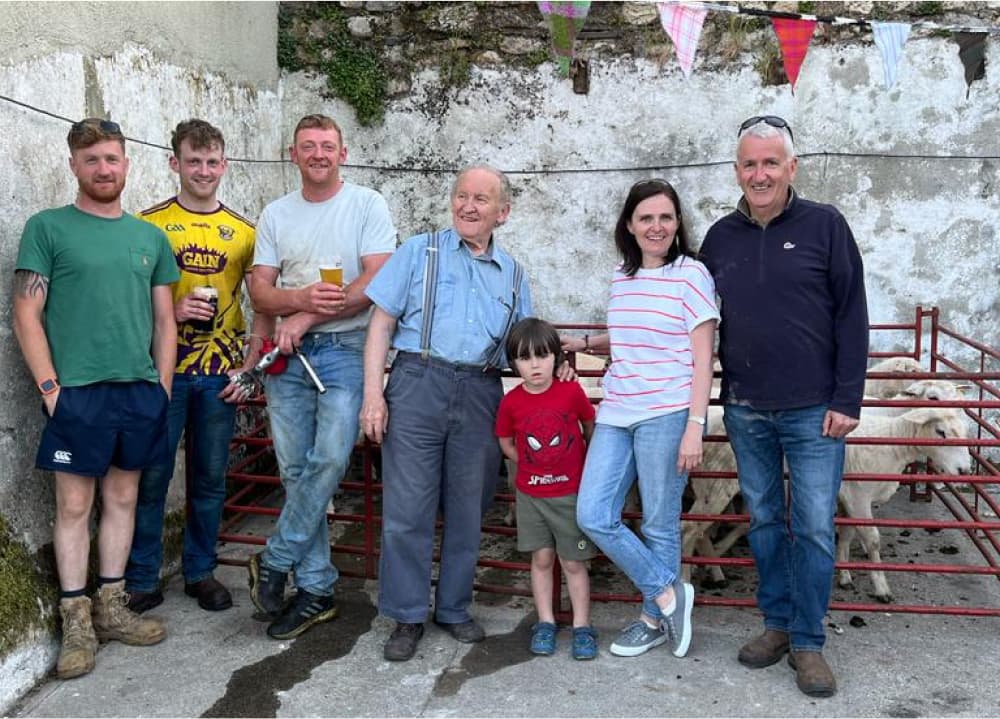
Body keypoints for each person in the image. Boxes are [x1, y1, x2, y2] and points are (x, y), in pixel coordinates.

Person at [699, 115, 869, 698]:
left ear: (792, 167)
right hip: (745, 407)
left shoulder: (826, 226)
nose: (760, 173)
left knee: (815, 527)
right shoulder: (720, 237)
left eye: (771, 162)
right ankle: (775, 624)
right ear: (737, 171)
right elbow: (690, 320)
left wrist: (849, 398)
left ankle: (808, 640)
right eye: (750, 163)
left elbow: (852, 314)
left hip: (816, 409)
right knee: (765, 520)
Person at [12, 118, 176, 679]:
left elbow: (164, 319)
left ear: (127, 164)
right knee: (75, 508)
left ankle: (112, 609)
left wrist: (163, 387)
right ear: (74, 166)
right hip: (75, 394)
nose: (103, 169)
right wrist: (51, 389)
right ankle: (76, 621)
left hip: (138, 391)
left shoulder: (149, 238)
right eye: (92, 160)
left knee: (123, 500)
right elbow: (25, 313)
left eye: (112, 159)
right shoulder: (47, 228)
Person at [361, 164, 534, 662]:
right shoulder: (420, 251)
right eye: (462, 195)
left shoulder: (515, 274)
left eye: (481, 199)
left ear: (502, 212)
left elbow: (525, 348)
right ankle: (407, 614)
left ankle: (454, 608)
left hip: (481, 390)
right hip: (418, 382)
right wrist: (374, 394)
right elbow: (381, 325)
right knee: (407, 509)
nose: (468, 206)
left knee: (468, 508)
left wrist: (559, 365)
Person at [246, 114, 396, 640]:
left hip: (348, 348)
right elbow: (260, 294)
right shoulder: (275, 214)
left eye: (327, 146)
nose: (318, 154)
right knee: (294, 471)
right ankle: (315, 589)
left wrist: (310, 313)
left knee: (330, 457)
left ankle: (275, 557)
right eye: (308, 146)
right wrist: (297, 304)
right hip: (289, 355)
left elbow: (377, 278)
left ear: (343, 152)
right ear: (293, 154)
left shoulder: (366, 205)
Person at [125, 119, 273, 614]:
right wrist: (170, 313)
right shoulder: (148, 225)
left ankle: (201, 572)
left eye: (212, 162)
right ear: (175, 163)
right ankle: (142, 578)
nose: (203, 170)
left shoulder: (246, 233)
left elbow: (264, 307)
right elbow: (127, 299)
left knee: (210, 479)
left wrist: (249, 368)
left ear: (224, 165)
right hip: (160, 371)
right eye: (194, 161)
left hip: (220, 374)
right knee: (151, 476)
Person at [569, 179, 718, 660]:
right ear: (629, 226)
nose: (656, 226)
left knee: (659, 522)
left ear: (677, 225)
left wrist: (695, 425)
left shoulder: (692, 274)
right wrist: (587, 345)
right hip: (616, 410)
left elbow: (702, 357)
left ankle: (653, 619)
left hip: (668, 411)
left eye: (666, 217)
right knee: (593, 513)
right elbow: (632, 335)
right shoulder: (621, 276)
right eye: (646, 218)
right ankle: (670, 593)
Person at [495, 317, 598, 660]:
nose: (535, 365)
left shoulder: (570, 391)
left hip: (569, 494)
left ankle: (582, 626)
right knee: (540, 558)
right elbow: (506, 441)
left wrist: (582, 466)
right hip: (531, 495)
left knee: (573, 561)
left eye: (542, 355)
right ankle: (545, 621)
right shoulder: (511, 402)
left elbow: (589, 426)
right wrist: (528, 463)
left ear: (557, 357)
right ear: (514, 363)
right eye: (525, 358)